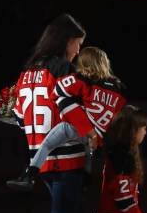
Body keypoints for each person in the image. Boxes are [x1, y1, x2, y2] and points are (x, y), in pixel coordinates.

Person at [12, 13, 101, 213]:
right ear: (66, 40)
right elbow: (70, 106)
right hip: (66, 159)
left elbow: (18, 115)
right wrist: (90, 131)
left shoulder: (26, 73)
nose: (78, 50)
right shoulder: (61, 67)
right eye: (78, 43)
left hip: (42, 157)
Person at [7, 46, 127, 191]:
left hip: (76, 128)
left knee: (46, 145)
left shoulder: (81, 79)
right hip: (98, 134)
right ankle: (87, 177)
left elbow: (58, 91)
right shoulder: (117, 86)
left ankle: (29, 175)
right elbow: (119, 113)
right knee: (88, 149)